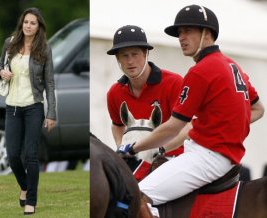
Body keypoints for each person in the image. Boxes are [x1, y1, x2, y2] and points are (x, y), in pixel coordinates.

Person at [118, 5, 264, 217]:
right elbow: (258, 108)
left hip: (206, 158)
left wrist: (132, 148)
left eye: (188, 31)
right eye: (179, 33)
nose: (181, 37)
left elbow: (172, 128)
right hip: (224, 157)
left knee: (135, 198)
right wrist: (226, 124)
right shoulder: (232, 65)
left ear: (207, 33)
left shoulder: (201, 71)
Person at [0, 7, 56, 215]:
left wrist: (51, 113)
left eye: (33, 23)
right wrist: (0, 72)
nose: (28, 26)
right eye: (26, 22)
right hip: (12, 106)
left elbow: (50, 83)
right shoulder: (10, 43)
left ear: (39, 27)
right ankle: (24, 186)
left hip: (34, 107)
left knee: (30, 155)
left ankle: (31, 200)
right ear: (22, 23)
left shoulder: (44, 49)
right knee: (12, 155)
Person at [106, 25, 184, 160]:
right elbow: (117, 125)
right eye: (124, 55)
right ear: (118, 59)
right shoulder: (114, 93)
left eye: (135, 54)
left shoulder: (174, 83)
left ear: (145, 53)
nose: (130, 61)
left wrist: (160, 150)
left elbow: (188, 128)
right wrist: (121, 147)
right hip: (137, 160)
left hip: (175, 158)